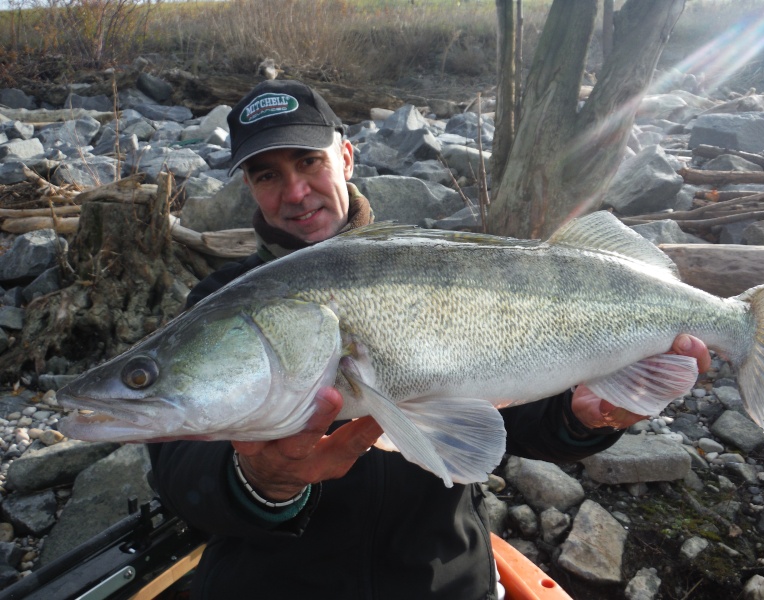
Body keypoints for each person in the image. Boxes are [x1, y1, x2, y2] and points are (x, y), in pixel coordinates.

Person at [147, 80, 711, 600]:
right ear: (249, 187)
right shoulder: (218, 305)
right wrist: (261, 482)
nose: (295, 191)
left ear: (345, 156)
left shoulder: (442, 265)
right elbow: (177, 472)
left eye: (309, 161)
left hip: (442, 578)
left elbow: (515, 420)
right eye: (267, 174)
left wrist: (582, 419)